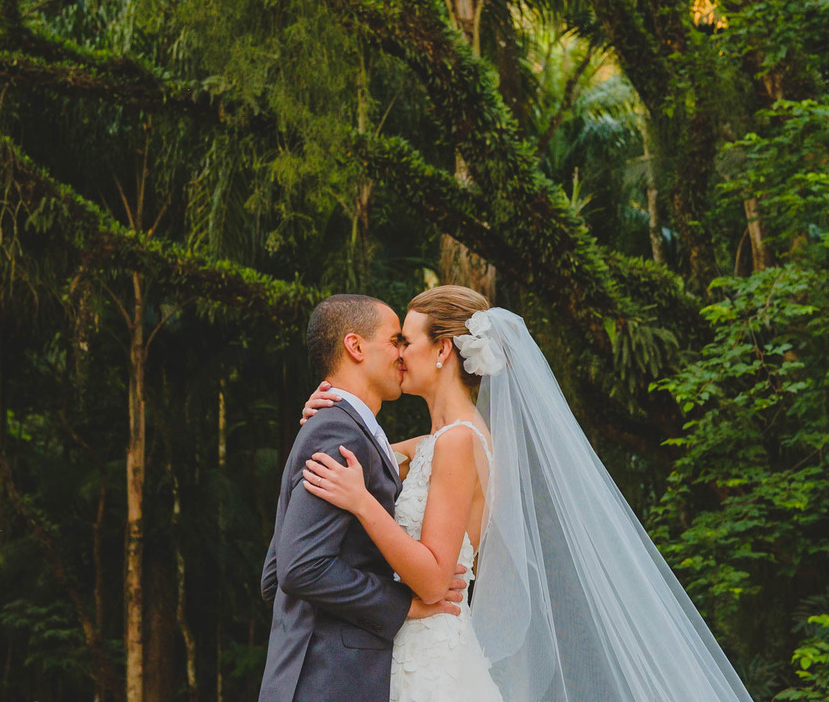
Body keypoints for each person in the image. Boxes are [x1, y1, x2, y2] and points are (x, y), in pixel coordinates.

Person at [300, 286, 755, 702]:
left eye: (406, 340)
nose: (398, 353)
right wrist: (330, 413)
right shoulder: (443, 441)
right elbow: (374, 452)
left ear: (442, 349)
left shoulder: (459, 441)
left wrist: (362, 503)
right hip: (413, 645)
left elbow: (435, 580)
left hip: (429, 658)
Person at [258, 294, 466, 702]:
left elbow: (276, 572)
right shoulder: (338, 433)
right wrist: (403, 605)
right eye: (394, 341)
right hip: (328, 680)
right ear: (355, 346)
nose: (402, 354)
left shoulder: (346, 431)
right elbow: (297, 569)